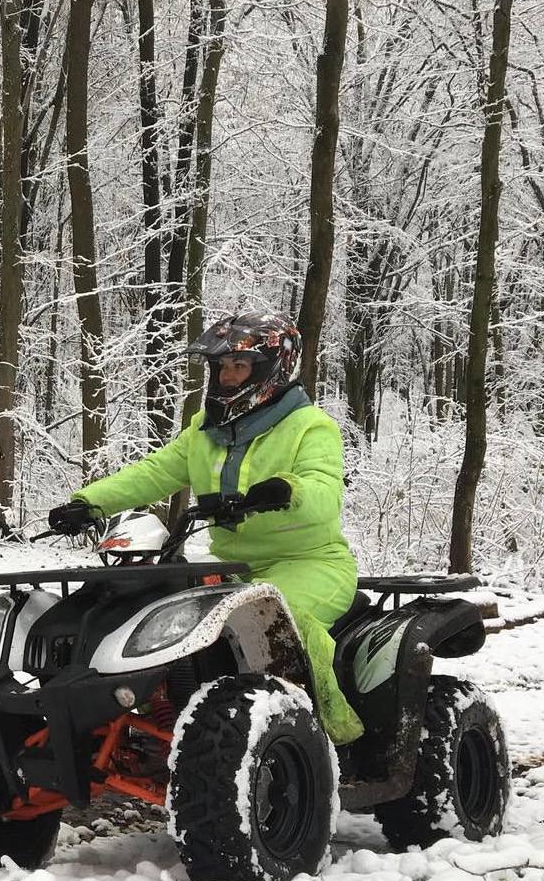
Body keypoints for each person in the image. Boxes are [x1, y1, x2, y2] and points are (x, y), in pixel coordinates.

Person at [49, 311, 364, 745]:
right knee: (164, 619)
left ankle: (331, 737)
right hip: (233, 565)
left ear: (273, 369)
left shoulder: (311, 427)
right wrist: (89, 502)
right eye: (222, 368)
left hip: (309, 563)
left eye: (240, 367)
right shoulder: (206, 431)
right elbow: (154, 472)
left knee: (289, 622)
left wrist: (285, 489)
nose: (229, 378)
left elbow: (324, 491)